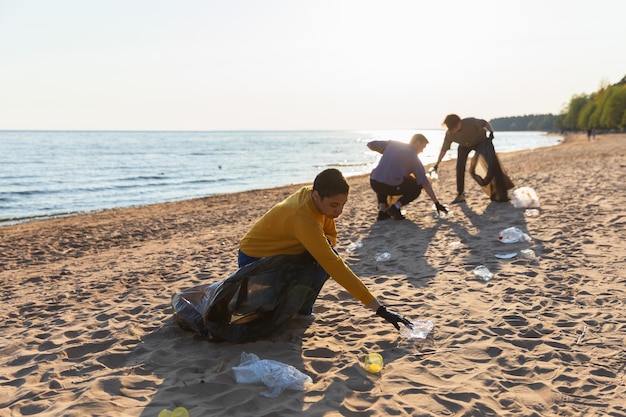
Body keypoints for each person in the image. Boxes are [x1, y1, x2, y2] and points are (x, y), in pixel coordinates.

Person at [238, 168, 411, 332]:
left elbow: (331, 236)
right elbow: (335, 266)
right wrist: (380, 310)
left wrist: (321, 247)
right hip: (254, 258)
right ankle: (293, 309)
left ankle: (302, 311)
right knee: (321, 265)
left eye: (343, 204)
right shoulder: (304, 218)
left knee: (320, 260)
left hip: (283, 252)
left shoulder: (317, 201)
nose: (339, 211)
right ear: (316, 196)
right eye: (334, 205)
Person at [367, 133, 448, 221]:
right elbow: (425, 183)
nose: (422, 151)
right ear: (417, 143)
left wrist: (385, 151)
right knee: (416, 187)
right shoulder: (413, 157)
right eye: (423, 147)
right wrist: (436, 203)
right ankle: (395, 207)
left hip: (374, 181)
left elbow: (370, 144)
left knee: (384, 178)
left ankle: (382, 212)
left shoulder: (393, 144)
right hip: (387, 184)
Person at [432, 114, 510, 203]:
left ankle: (500, 192)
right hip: (464, 146)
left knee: (492, 164)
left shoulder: (470, 122)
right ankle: (460, 194)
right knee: (459, 167)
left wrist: (491, 132)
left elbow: (485, 123)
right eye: (450, 128)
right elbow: (443, 150)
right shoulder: (450, 133)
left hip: (480, 142)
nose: (452, 130)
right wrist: (437, 164)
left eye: (453, 127)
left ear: (459, 123)